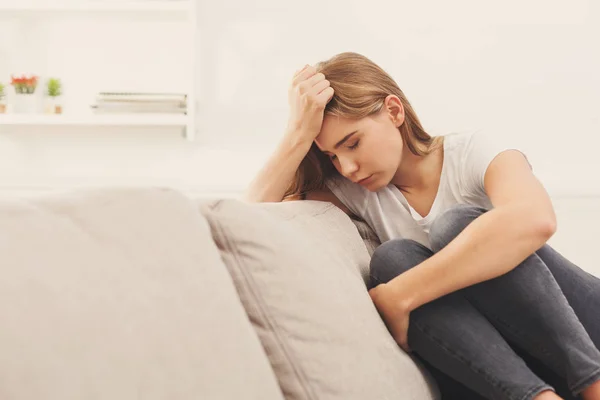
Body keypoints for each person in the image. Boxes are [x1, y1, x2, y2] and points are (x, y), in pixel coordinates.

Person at [244, 52, 600, 400]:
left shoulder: (472, 151)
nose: (348, 166)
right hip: (512, 363)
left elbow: (536, 219)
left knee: (455, 226)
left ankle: (593, 382)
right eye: (333, 156)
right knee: (392, 258)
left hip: (583, 330)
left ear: (394, 111)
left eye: (352, 143)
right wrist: (297, 131)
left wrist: (400, 294)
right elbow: (248, 221)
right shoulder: (356, 192)